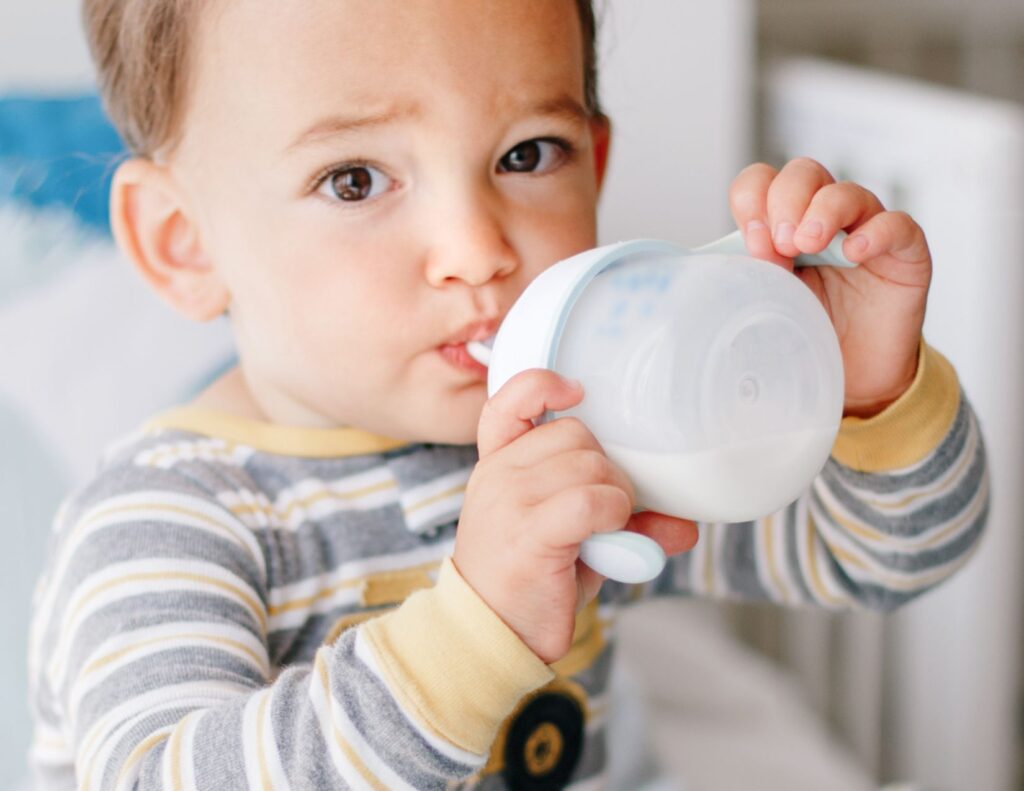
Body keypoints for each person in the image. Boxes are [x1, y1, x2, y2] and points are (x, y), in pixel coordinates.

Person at [27, 1, 988, 788]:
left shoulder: (591, 421)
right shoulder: (167, 517)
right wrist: (473, 630)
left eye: (528, 155)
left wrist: (864, 395)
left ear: (596, 167)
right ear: (181, 243)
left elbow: (892, 557)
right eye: (354, 179)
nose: (478, 246)